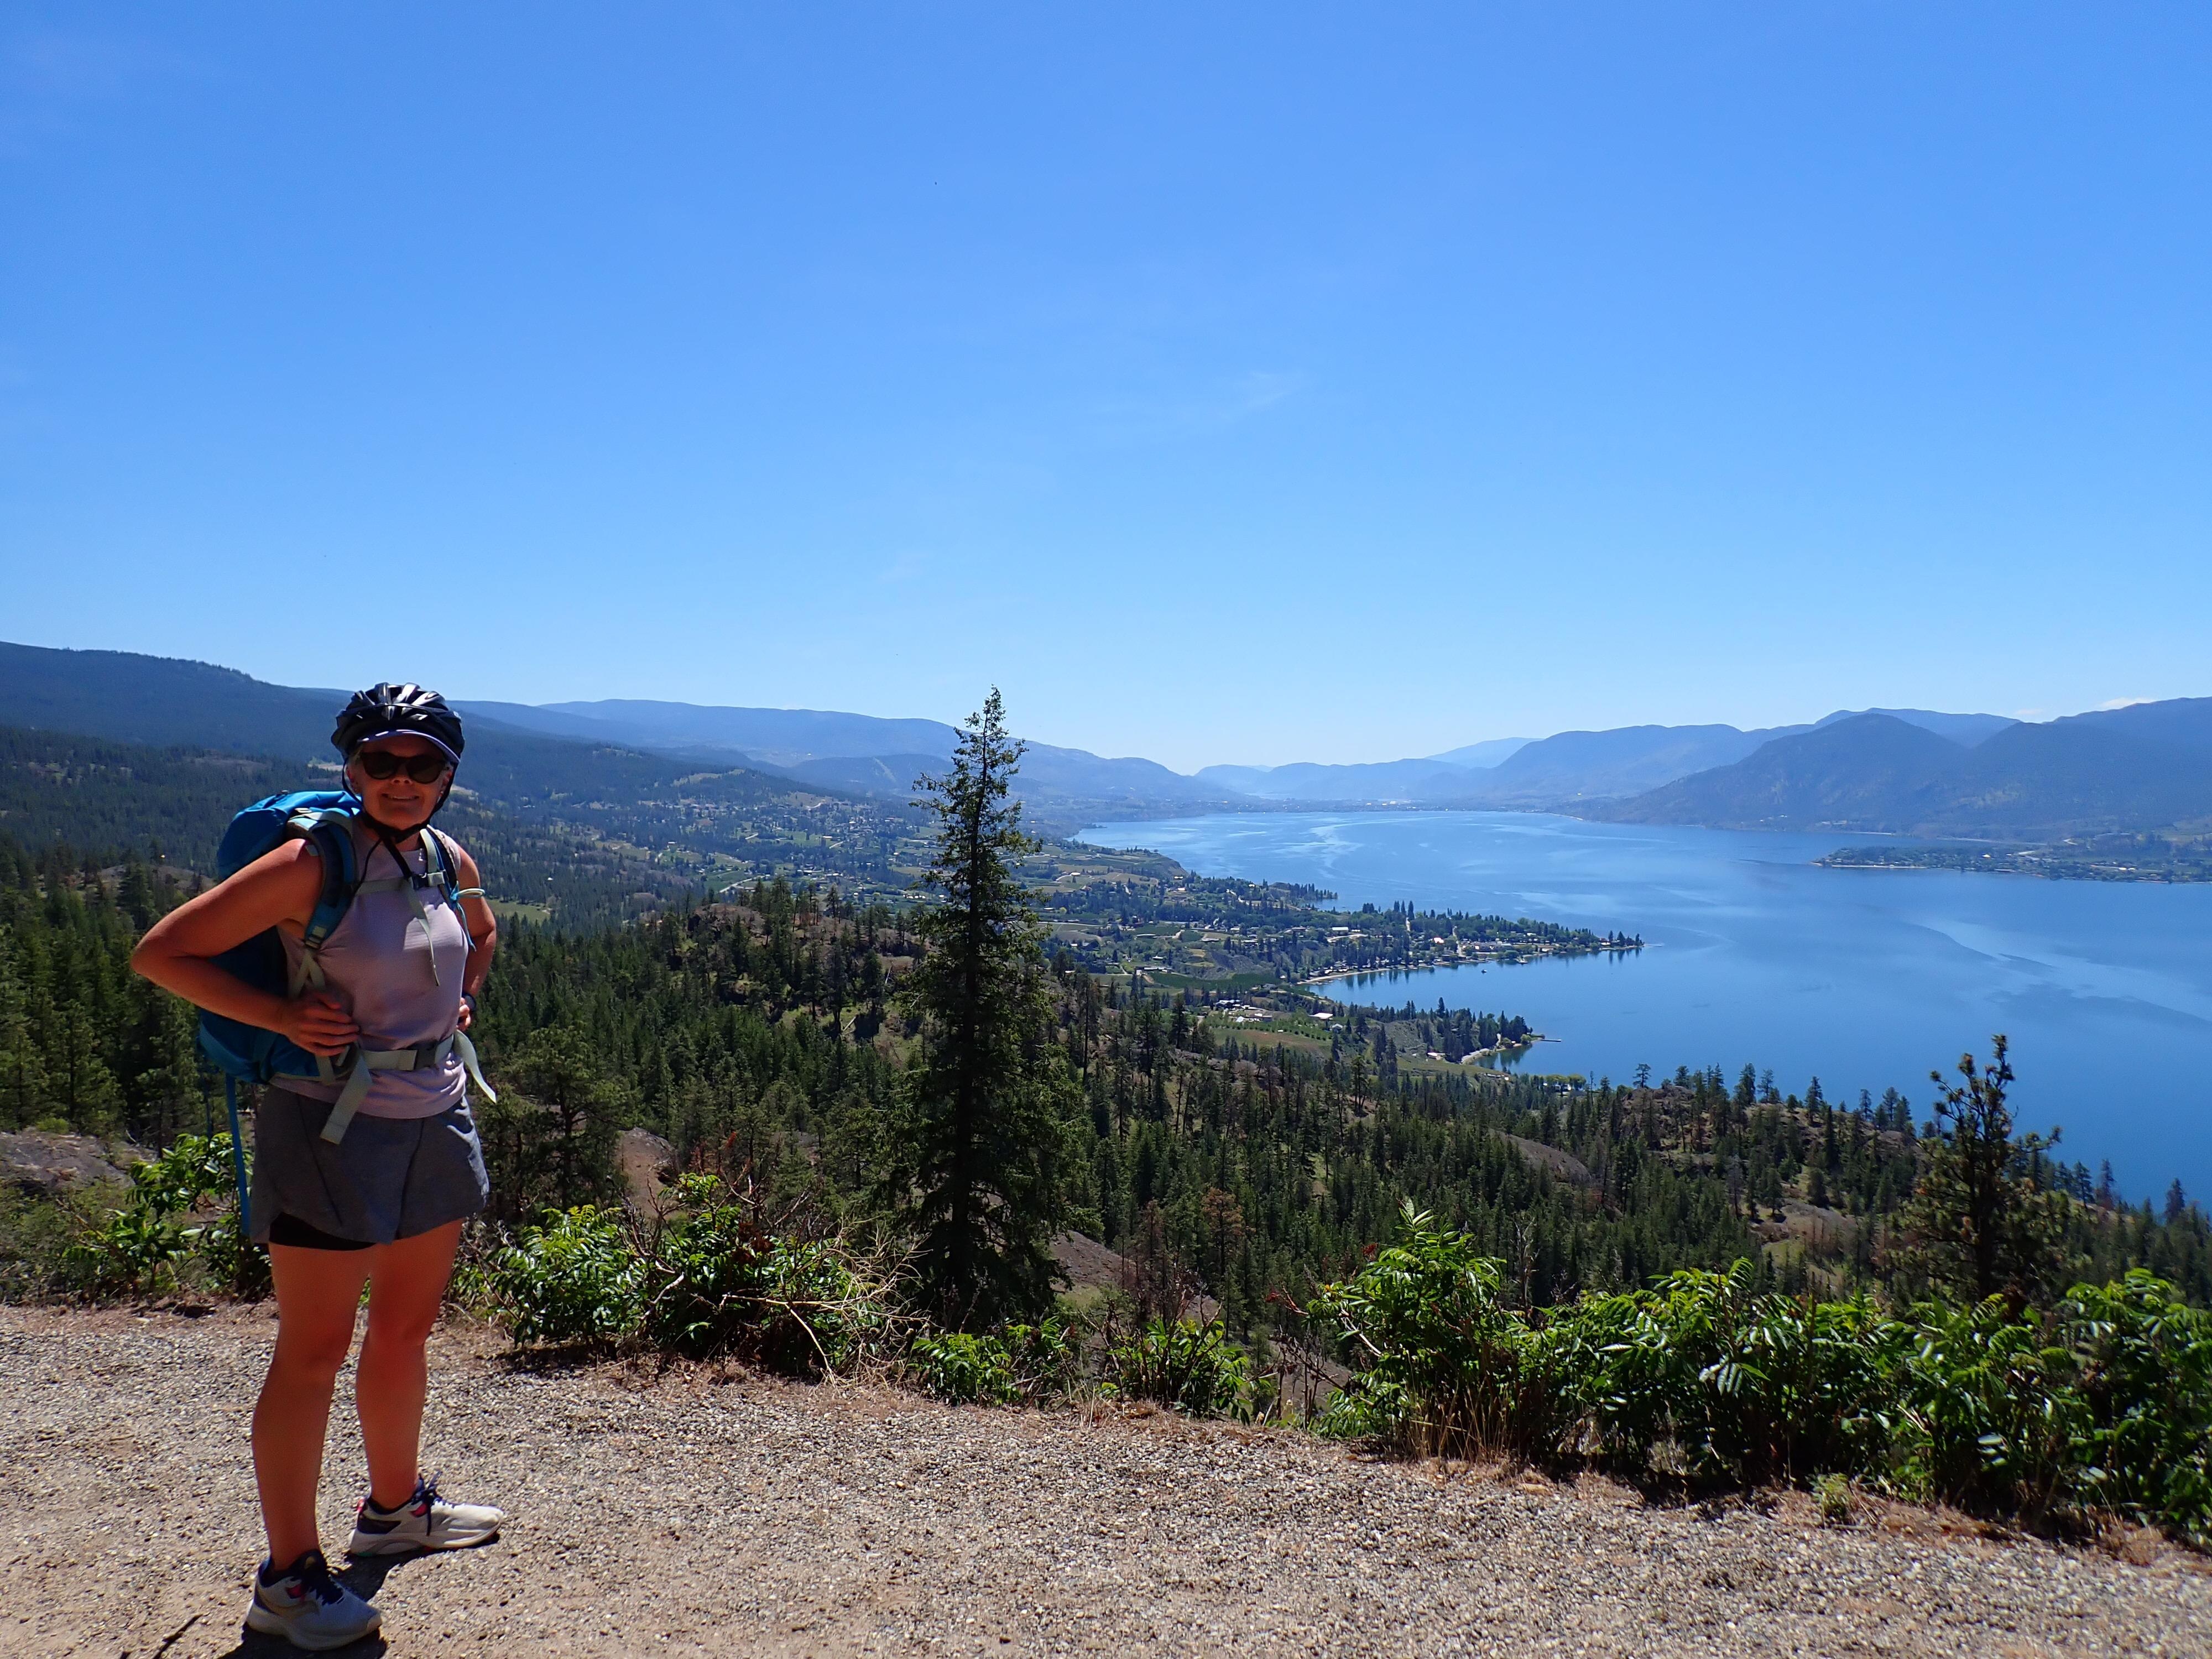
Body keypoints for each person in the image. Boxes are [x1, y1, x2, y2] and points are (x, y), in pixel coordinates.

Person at [134, 683, 508, 1650]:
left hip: (434, 1110)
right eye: (381, 760)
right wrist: (281, 1017)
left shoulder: (443, 858)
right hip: (327, 1125)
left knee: (408, 1326)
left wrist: (457, 999)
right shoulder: (311, 863)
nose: (400, 778)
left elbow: (481, 937)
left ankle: (393, 1510)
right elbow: (163, 953)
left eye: (421, 763)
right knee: (311, 1351)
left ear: (448, 776)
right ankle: (289, 1580)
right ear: (350, 766)